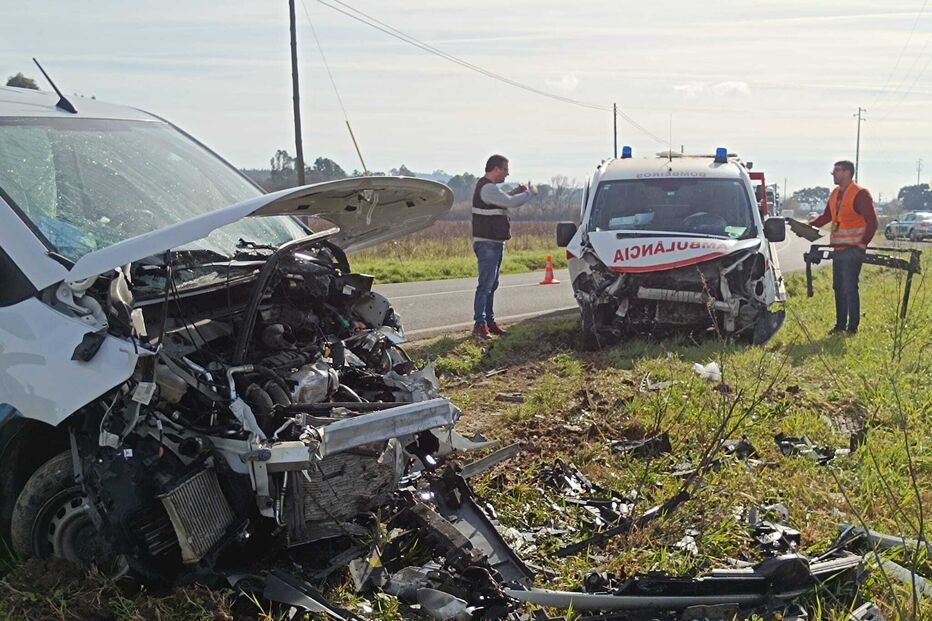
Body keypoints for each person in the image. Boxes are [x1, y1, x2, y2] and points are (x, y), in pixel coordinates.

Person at [808, 160, 878, 335]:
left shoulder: (860, 194)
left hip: (853, 250)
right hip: (838, 249)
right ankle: (840, 326)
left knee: (849, 287)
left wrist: (862, 244)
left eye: (837, 170)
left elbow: (873, 223)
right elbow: (826, 217)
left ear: (847, 173)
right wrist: (808, 226)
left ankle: (852, 328)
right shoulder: (835, 194)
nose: (833, 174)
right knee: (838, 287)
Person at [471, 154, 535, 340]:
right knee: (485, 285)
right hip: (487, 243)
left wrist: (515, 191)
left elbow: (503, 200)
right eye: (505, 169)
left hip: (494, 242)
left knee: (492, 285)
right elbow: (509, 202)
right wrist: (530, 193)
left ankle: (489, 322)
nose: (507, 173)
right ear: (496, 169)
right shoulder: (487, 188)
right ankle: (480, 325)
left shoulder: (488, 188)